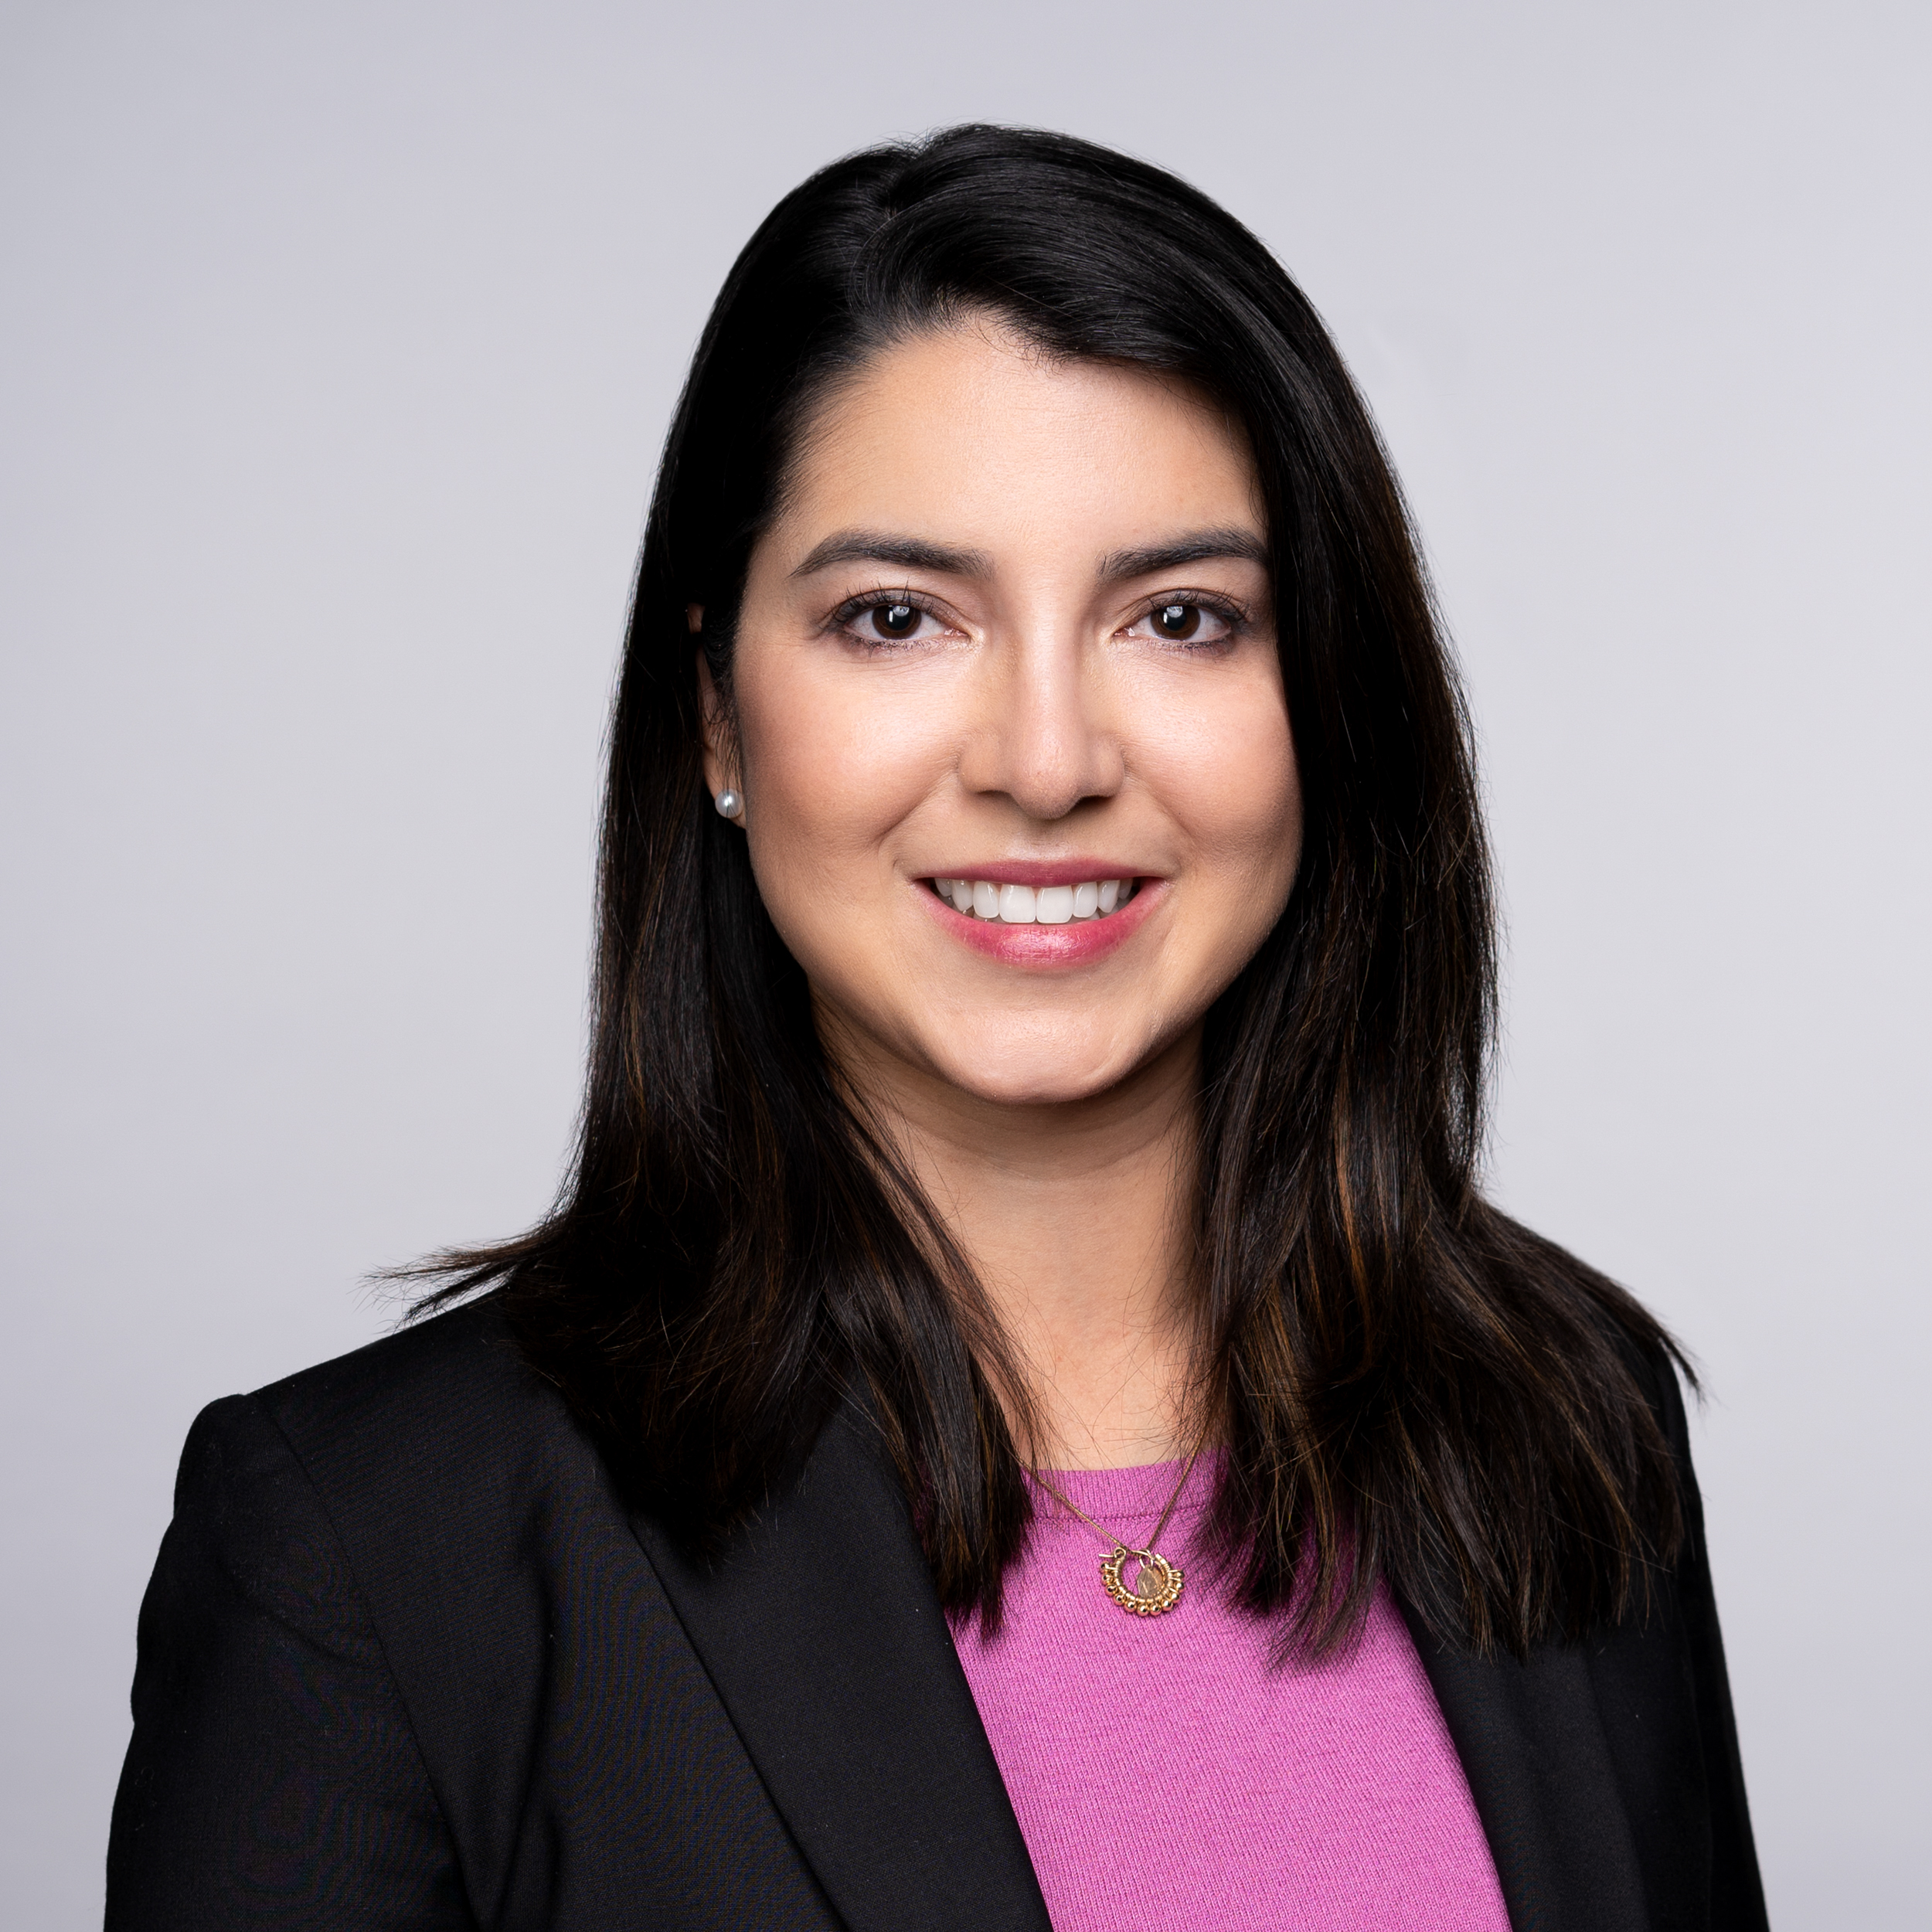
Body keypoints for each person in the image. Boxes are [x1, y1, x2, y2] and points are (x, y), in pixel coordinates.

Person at [105, 125, 1767, 1932]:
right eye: (895, 617)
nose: (1044, 761)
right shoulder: (374, 1547)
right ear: (719, 722)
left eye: (1180, 617)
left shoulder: (1558, 1421)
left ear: (1324, 704)